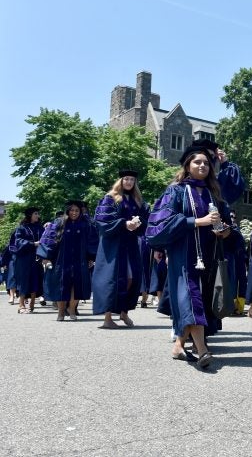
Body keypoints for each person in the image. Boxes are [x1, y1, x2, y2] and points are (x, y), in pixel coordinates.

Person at [146, 146, 233, 369]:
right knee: (191, 297)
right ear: (187, 166)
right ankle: (202, 349)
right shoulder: (175, 192)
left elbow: (226, 222)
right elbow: (161, 224)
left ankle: (178, 346)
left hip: (209, 256)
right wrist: (196, 221)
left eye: (206, 163)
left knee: (201, 299)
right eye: (197, 163)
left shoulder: (214, 193)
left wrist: (224, 230)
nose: (202, 166)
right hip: (183, 256)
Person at [92, 170, 150, 328]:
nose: (129, 182)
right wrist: (124, 223)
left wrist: (139, 223)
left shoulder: (137, 200)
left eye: (132, 179)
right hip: (113, 245)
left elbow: (146, 219)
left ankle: (124, 312)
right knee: (111, 279)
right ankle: (107, 318)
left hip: (130, 245)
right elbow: (103, 221)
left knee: (132, 278)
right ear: (121, 181)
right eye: (126, 179)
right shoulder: (110, 198)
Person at [37, 200, 99, 321]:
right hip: (61, 259)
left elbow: (93, 242)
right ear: (67, 211)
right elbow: (49, 240)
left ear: (80, 211)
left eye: (77, 210)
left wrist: (91, 257)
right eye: (72, 210)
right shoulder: (58, 223)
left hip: (79, 259)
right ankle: (61, 312)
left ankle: (71, 310)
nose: (74, 213)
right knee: (61, 286)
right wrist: (46, 257)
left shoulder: (86, 224)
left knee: (76, 287)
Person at [11, 207, 45, 314]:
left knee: (35, 279)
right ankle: (21, 305)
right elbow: (18, 241)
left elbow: (46, 240)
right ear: (30, 215)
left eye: (38, 214)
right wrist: (33, 244)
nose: (37, 216)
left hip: (37, 258)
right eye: (35, 213)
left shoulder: (41, 228)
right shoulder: (22, 228)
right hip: (24, 259)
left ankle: (32, 304)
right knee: (24, 281)